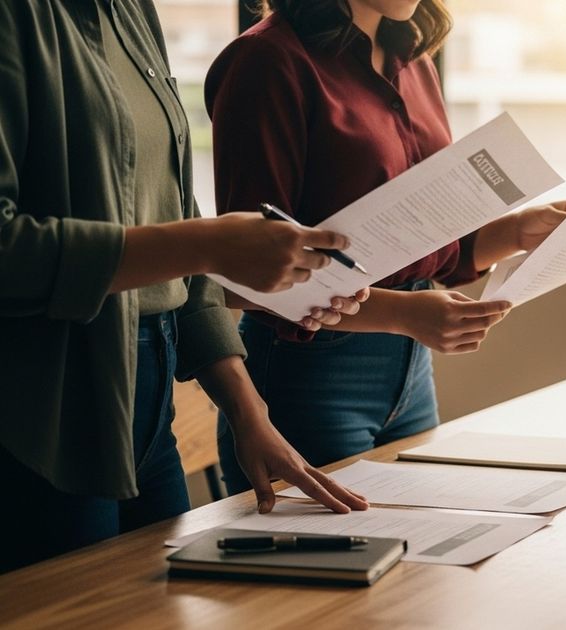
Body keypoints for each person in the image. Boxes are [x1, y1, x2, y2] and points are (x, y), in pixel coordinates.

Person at [0, 0, 370, 573]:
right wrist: (208, 244)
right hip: (45, 408)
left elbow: (175, 215)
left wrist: (248, 412)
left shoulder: (130, 12)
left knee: (160, 605)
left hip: (151, 398)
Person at [205, 0, 566, 495]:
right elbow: (249, 274)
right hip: (308, 372)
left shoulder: (413, 57)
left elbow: (422, 246)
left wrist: (515, 232)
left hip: (411, 372)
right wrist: (403, 313)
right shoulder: (266, 60)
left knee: (417, 564)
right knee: (333, 563)